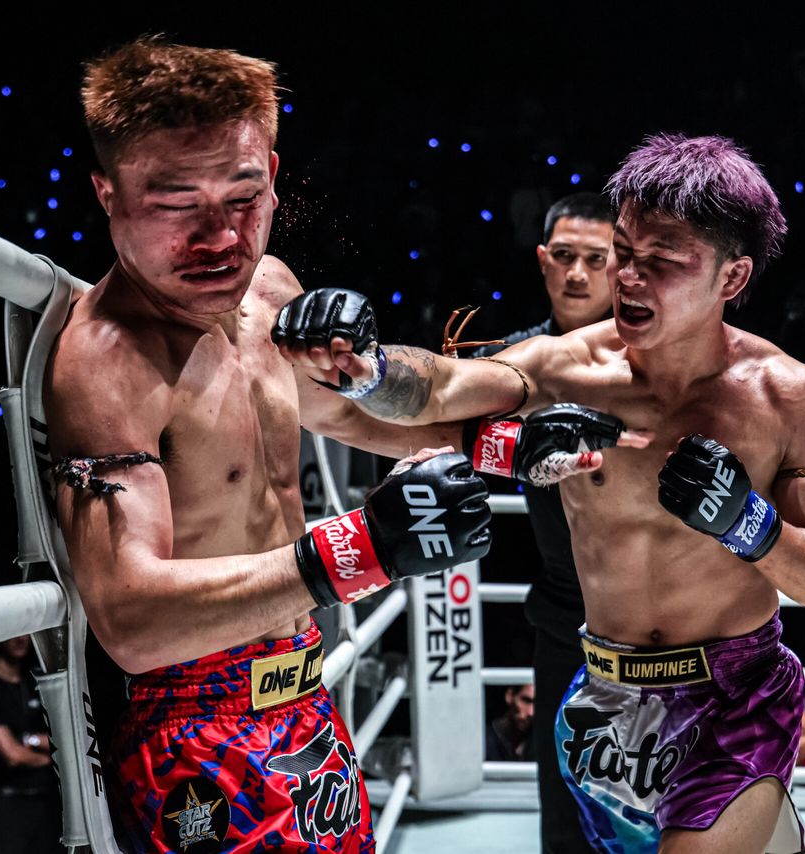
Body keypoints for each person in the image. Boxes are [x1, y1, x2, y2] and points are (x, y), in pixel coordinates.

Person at [280, 133, 805, 853]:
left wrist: (749, 523)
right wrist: (366, 366)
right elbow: (443, 386)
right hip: (601, 698)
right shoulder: (569, 369)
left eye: (663, 262)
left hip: (733, 699)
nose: (629, 278)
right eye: (625, 252)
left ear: (732, 275)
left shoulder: (788, 397)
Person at [46, 36, 504, 853]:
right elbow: (131, 621)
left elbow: (369, 421)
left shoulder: (269, 292)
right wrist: (361, 550)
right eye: (176, 203)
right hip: (195, 730)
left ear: (274, 176)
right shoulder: (109, 358)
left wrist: (512, 446)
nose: (220, 236)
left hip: (305, 699)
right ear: (107, 195)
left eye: (243, 196)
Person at [470, 191, 614, 854]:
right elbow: (444, 430)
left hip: (663, 616)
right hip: (564, 614)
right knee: (564, 811)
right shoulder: (515, 360)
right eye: (564, 256)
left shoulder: (652, 360)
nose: (578, 273)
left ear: (622, 265)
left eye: (595, 259)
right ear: (542, 260)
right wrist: (512, 449)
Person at [0, 635, 61, 854]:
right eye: (14, 633)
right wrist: (54, 756)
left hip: (48, 802)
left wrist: (30, 740)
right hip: (6, 804)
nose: (20, 639)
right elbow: (13, 755)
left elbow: (65, 737)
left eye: (26, 632)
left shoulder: (35, 681)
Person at [486, 683, 536, 762]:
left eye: (537, 704)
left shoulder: (541, 743)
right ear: (510, 696)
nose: (531, 712)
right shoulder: (483, 739)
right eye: (526, 700)